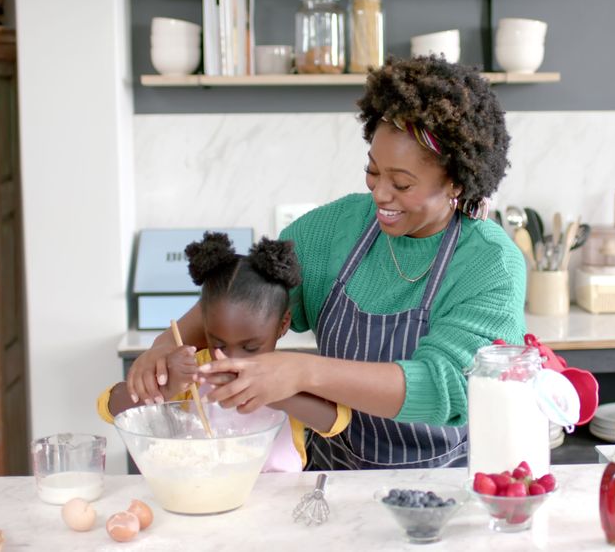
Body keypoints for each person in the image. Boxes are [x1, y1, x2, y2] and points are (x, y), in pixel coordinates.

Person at [131, 55, 527, 470]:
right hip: (333, 475)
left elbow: (450, 388)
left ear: (456, 182)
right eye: (373, 172)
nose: (380, 194)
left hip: (445, 481)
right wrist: (163, 350)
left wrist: (304, 371)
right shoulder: (332, 230)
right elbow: (233, 301)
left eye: (402, 183)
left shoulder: (490, 264)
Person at [98, 232, 350, 471]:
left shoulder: (288, 372)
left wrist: (277, 393)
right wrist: (165, 387)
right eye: (218, 344)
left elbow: (335, 421)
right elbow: (109, 407)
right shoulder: (197, 371)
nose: (232, 359)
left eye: (250, 347)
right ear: (204, 327)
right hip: (206, 492)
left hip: (279, 500)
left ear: (283, 324)